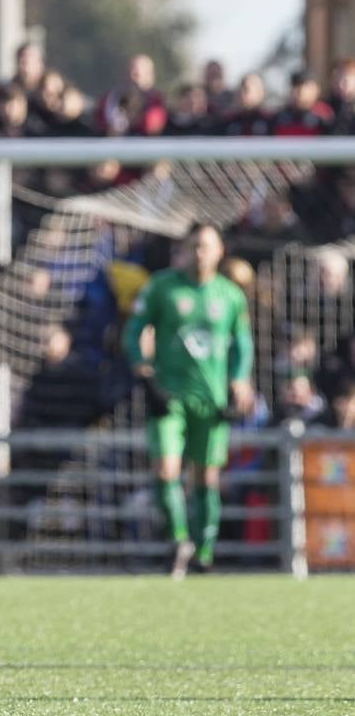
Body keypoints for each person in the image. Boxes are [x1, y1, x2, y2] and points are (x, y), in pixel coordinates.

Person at [122, 224, 255, 579]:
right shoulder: (162, 287)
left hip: (211, 398)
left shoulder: (229, 296)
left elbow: (242, 344)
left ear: (220, 250)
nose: (200, 252)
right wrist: (143, 371)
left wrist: (239, 381)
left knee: (206, 478)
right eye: (194, 246)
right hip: (169, 395)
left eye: (206, 246)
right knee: (166, 469)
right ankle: (178, 540)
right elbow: (134, 331)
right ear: (184, 249)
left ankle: (204, 550)